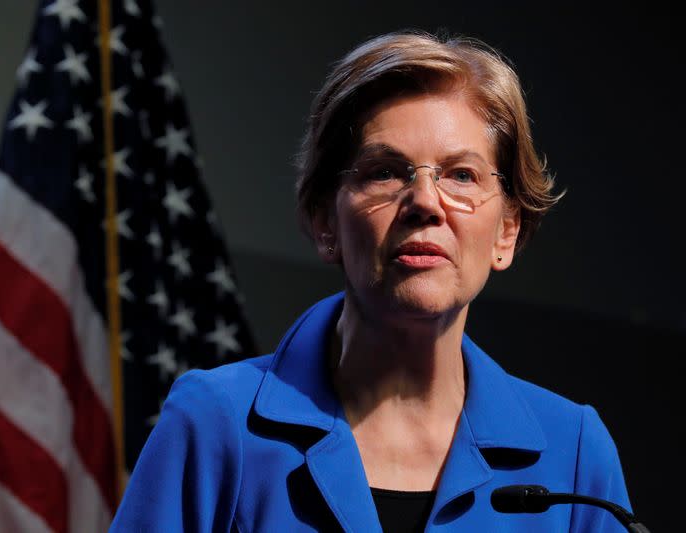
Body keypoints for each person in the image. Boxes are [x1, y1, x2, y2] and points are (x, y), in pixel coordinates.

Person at [109, 30, 632, 532]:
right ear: (324, 223)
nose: (425, 202)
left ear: (507, 233)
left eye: (461, 175)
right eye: (384, 171)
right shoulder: (213, 423)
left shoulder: (575, 454)